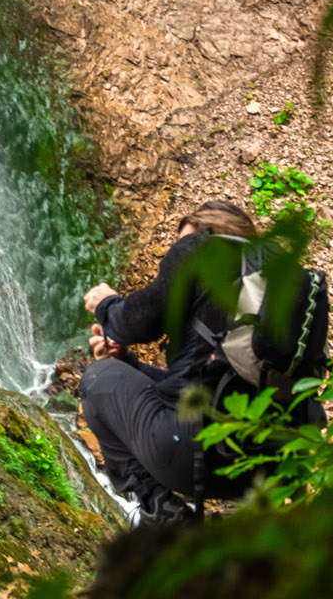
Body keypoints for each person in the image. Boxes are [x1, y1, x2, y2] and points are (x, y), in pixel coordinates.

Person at [78, 198, 258, 524]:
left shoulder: (198, 253)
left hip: (195, 457)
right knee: (118, 370)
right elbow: (199, 387)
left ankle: (162, 515)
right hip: (265, 467)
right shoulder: (276, 289)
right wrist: (129, 363)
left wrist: (106, 305)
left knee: (98, 378)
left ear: (208, 236)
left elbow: (136, 322)